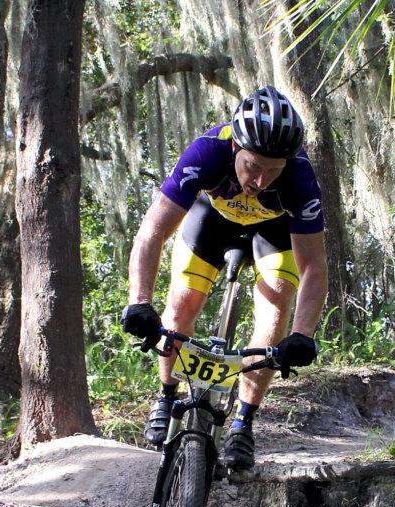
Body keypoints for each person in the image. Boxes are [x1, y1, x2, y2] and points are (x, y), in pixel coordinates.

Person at [120, 86, 328, 471]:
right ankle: (167, 396)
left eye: (273, 169)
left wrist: (303, 335)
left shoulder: (300, 178)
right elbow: (152, 230)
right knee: (181, 304)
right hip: (211, 221)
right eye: (253, 165)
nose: (260, 180)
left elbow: (314, 266)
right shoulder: (208, 151)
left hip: (272, 232)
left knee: (274, 313)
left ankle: (243, 421)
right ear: (235, 147)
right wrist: (139, 301)